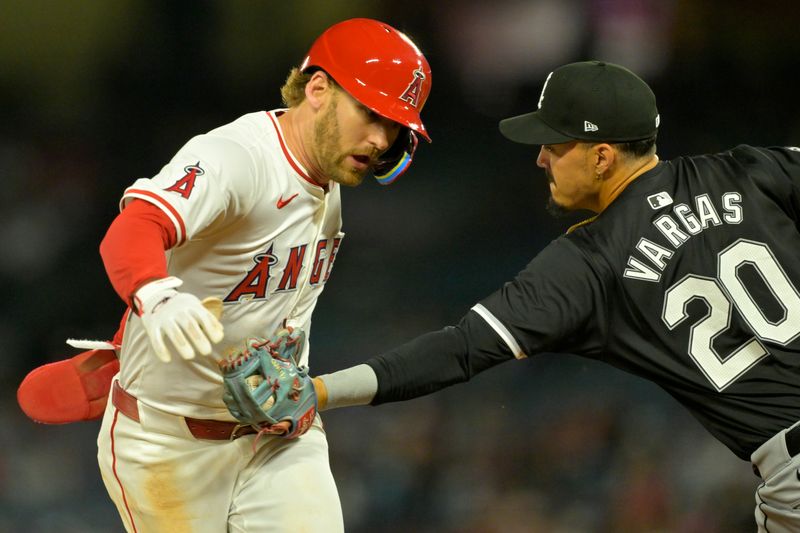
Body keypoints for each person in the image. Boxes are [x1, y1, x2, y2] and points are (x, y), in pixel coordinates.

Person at [308, 60, 800, 532]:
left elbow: (458, 349)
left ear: (602, 156)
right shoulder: (747, 170)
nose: (541, 157)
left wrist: (321, 391)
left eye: (554, 144)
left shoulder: (589, 261)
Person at [18, 17, 432, 532]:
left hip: (279, 434)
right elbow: (133, 228)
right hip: (171, 445)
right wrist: (155, 295)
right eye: (370, 113)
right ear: (319, 89)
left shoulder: (327, 173)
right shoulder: (237, 157)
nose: (379, 138)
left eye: (394, 126)